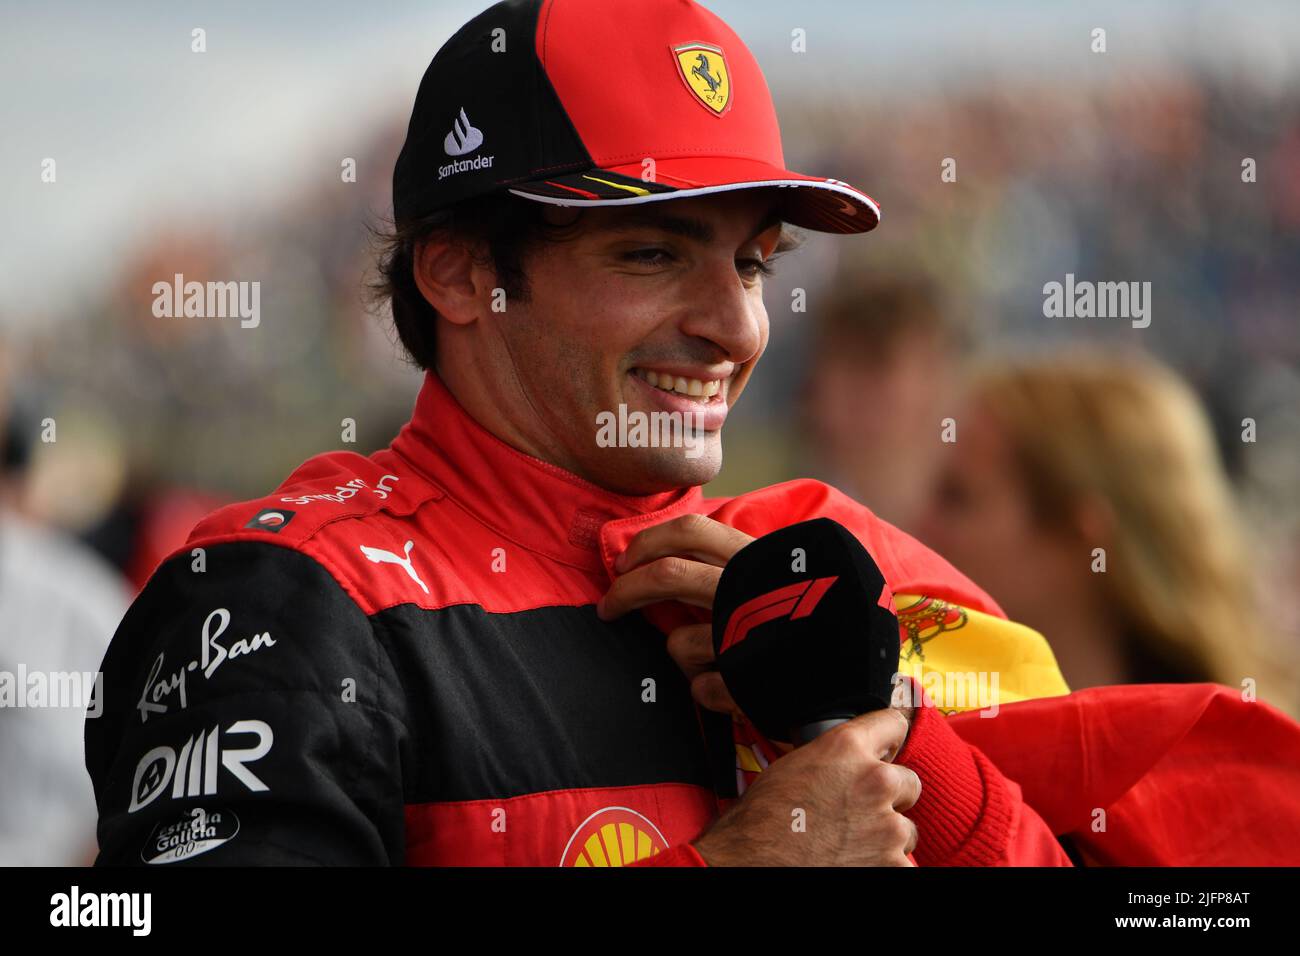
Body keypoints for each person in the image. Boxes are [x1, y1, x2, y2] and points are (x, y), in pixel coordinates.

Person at [86, 0, 1300, 867]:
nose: (733, 325)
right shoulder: (276, 601)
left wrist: (895, 735)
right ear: (458, 274)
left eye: (754, 263)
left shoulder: (808, 571)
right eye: (650, 251)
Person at [916, 351, 1300, 715]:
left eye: (957, 498)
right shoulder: (913, 734)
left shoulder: (1234, 760)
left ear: (1081, 535)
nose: (920, 526)